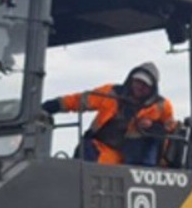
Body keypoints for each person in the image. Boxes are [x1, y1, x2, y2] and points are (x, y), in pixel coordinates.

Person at [41, 62, 176, 166]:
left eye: (145, 84)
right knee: (87, 152)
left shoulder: (162, 106)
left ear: (152, 88)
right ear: (131, 79)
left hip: (136, 159)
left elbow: (170, 130)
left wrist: (152, 126)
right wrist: (51, 106)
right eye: (137, 81)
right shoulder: (111, 92)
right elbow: (80, 100)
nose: (139, 87)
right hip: (104, 149)